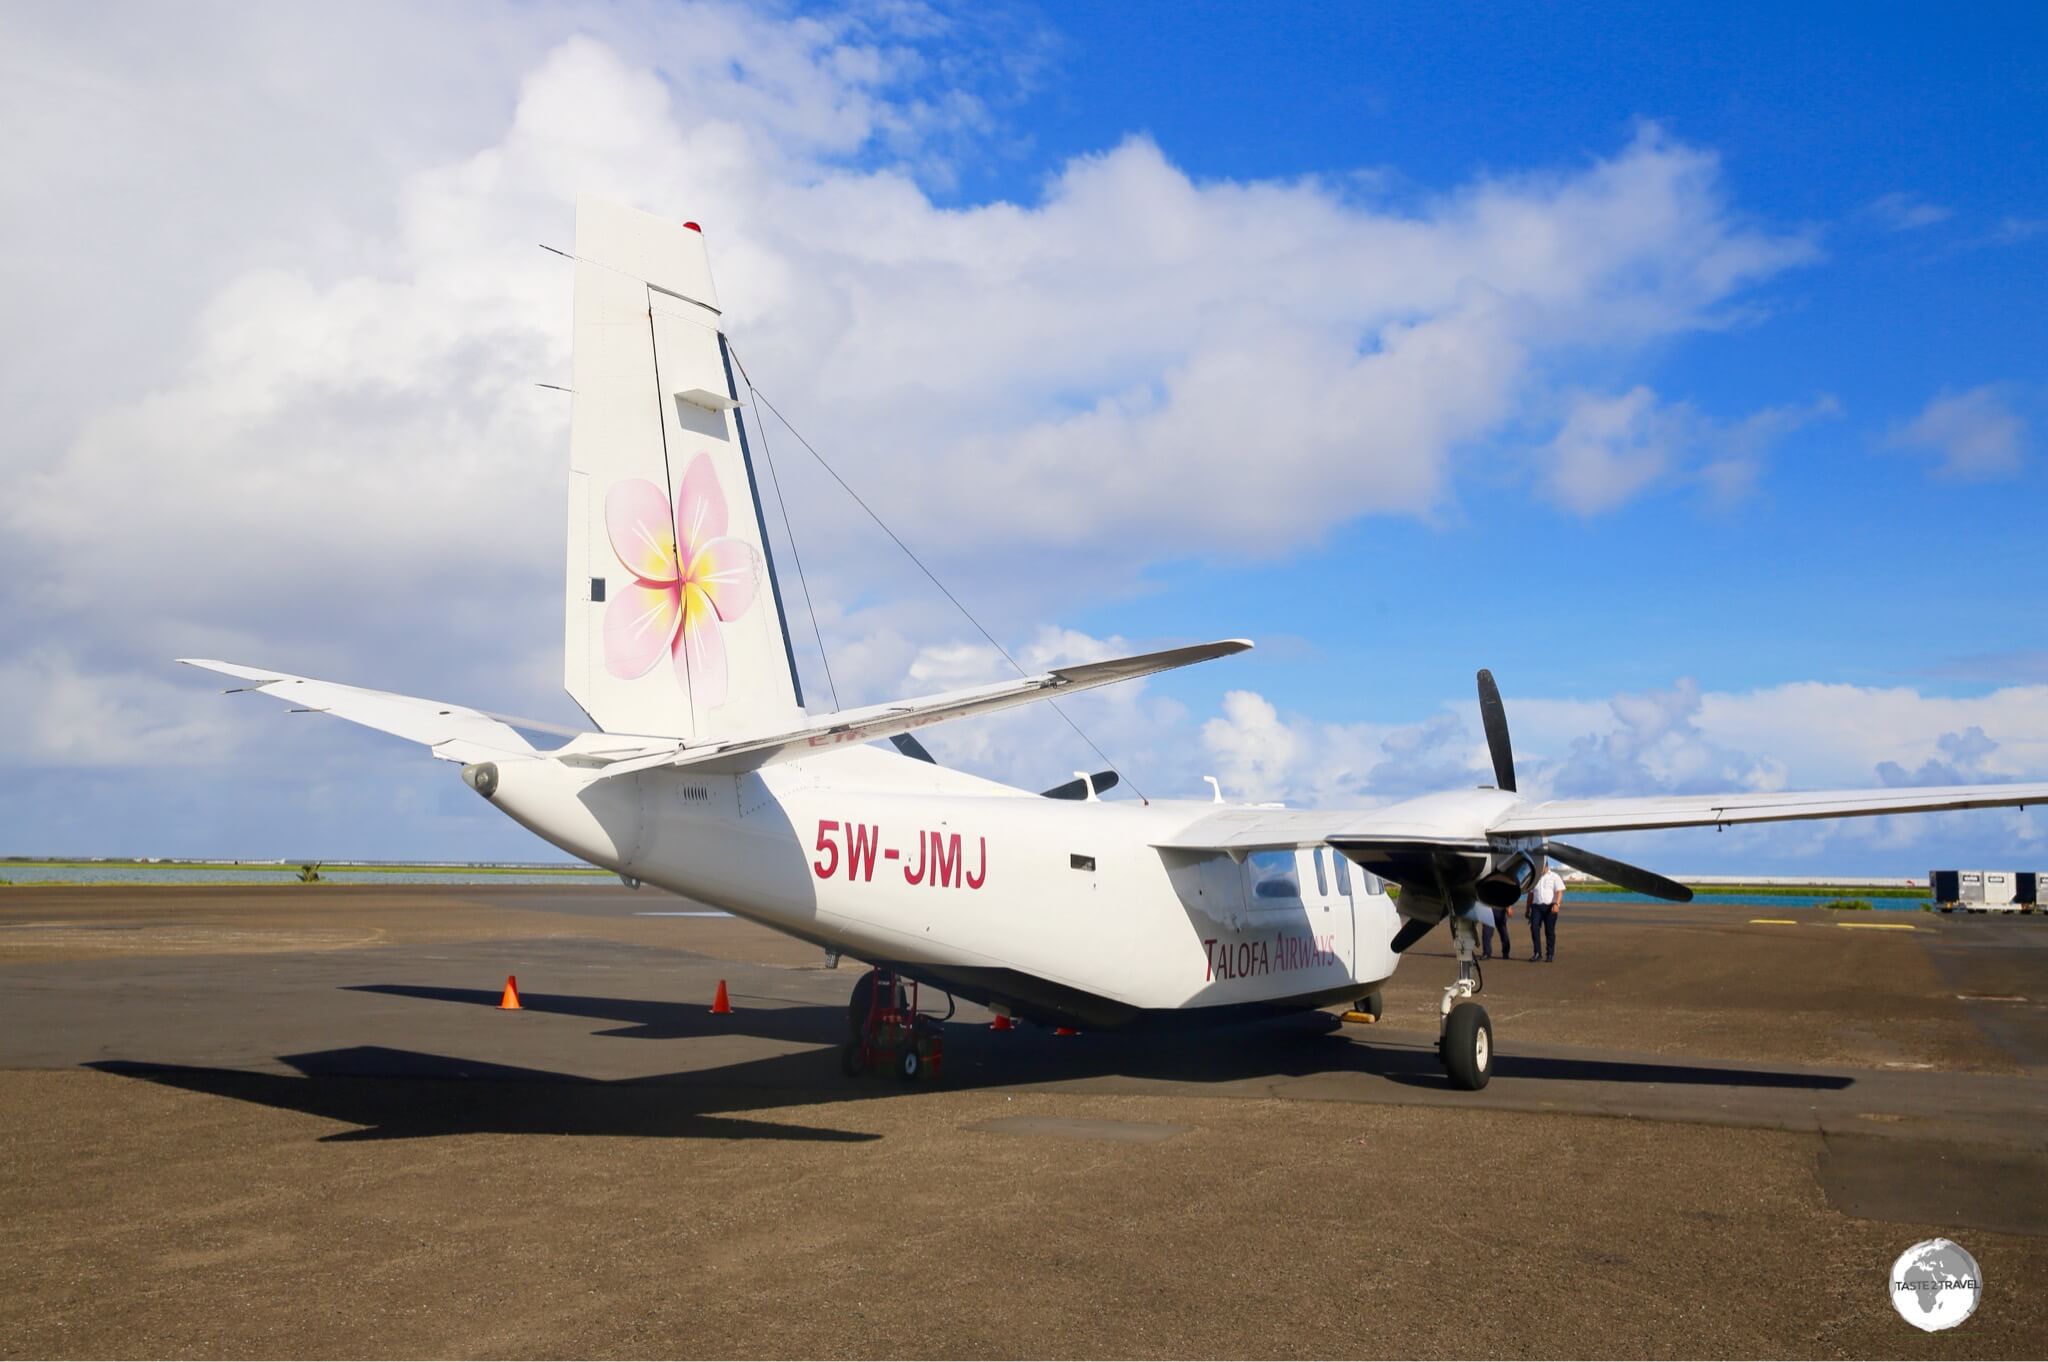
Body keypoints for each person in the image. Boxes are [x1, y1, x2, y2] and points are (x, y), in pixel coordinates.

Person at [1527, 862, 1565, 962]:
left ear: (1546, 866)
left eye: (1542, 866)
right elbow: (1530, 894)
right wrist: (1527, 909)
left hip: (1550, 906)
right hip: (1536, 906)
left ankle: (1550, 954)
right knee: (1534, 928)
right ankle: (1537, 953)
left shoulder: (1554, 876)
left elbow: (1560, 891)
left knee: (1549, 931)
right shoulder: (1535, 877)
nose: (1540, 868)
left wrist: (1557, 904)